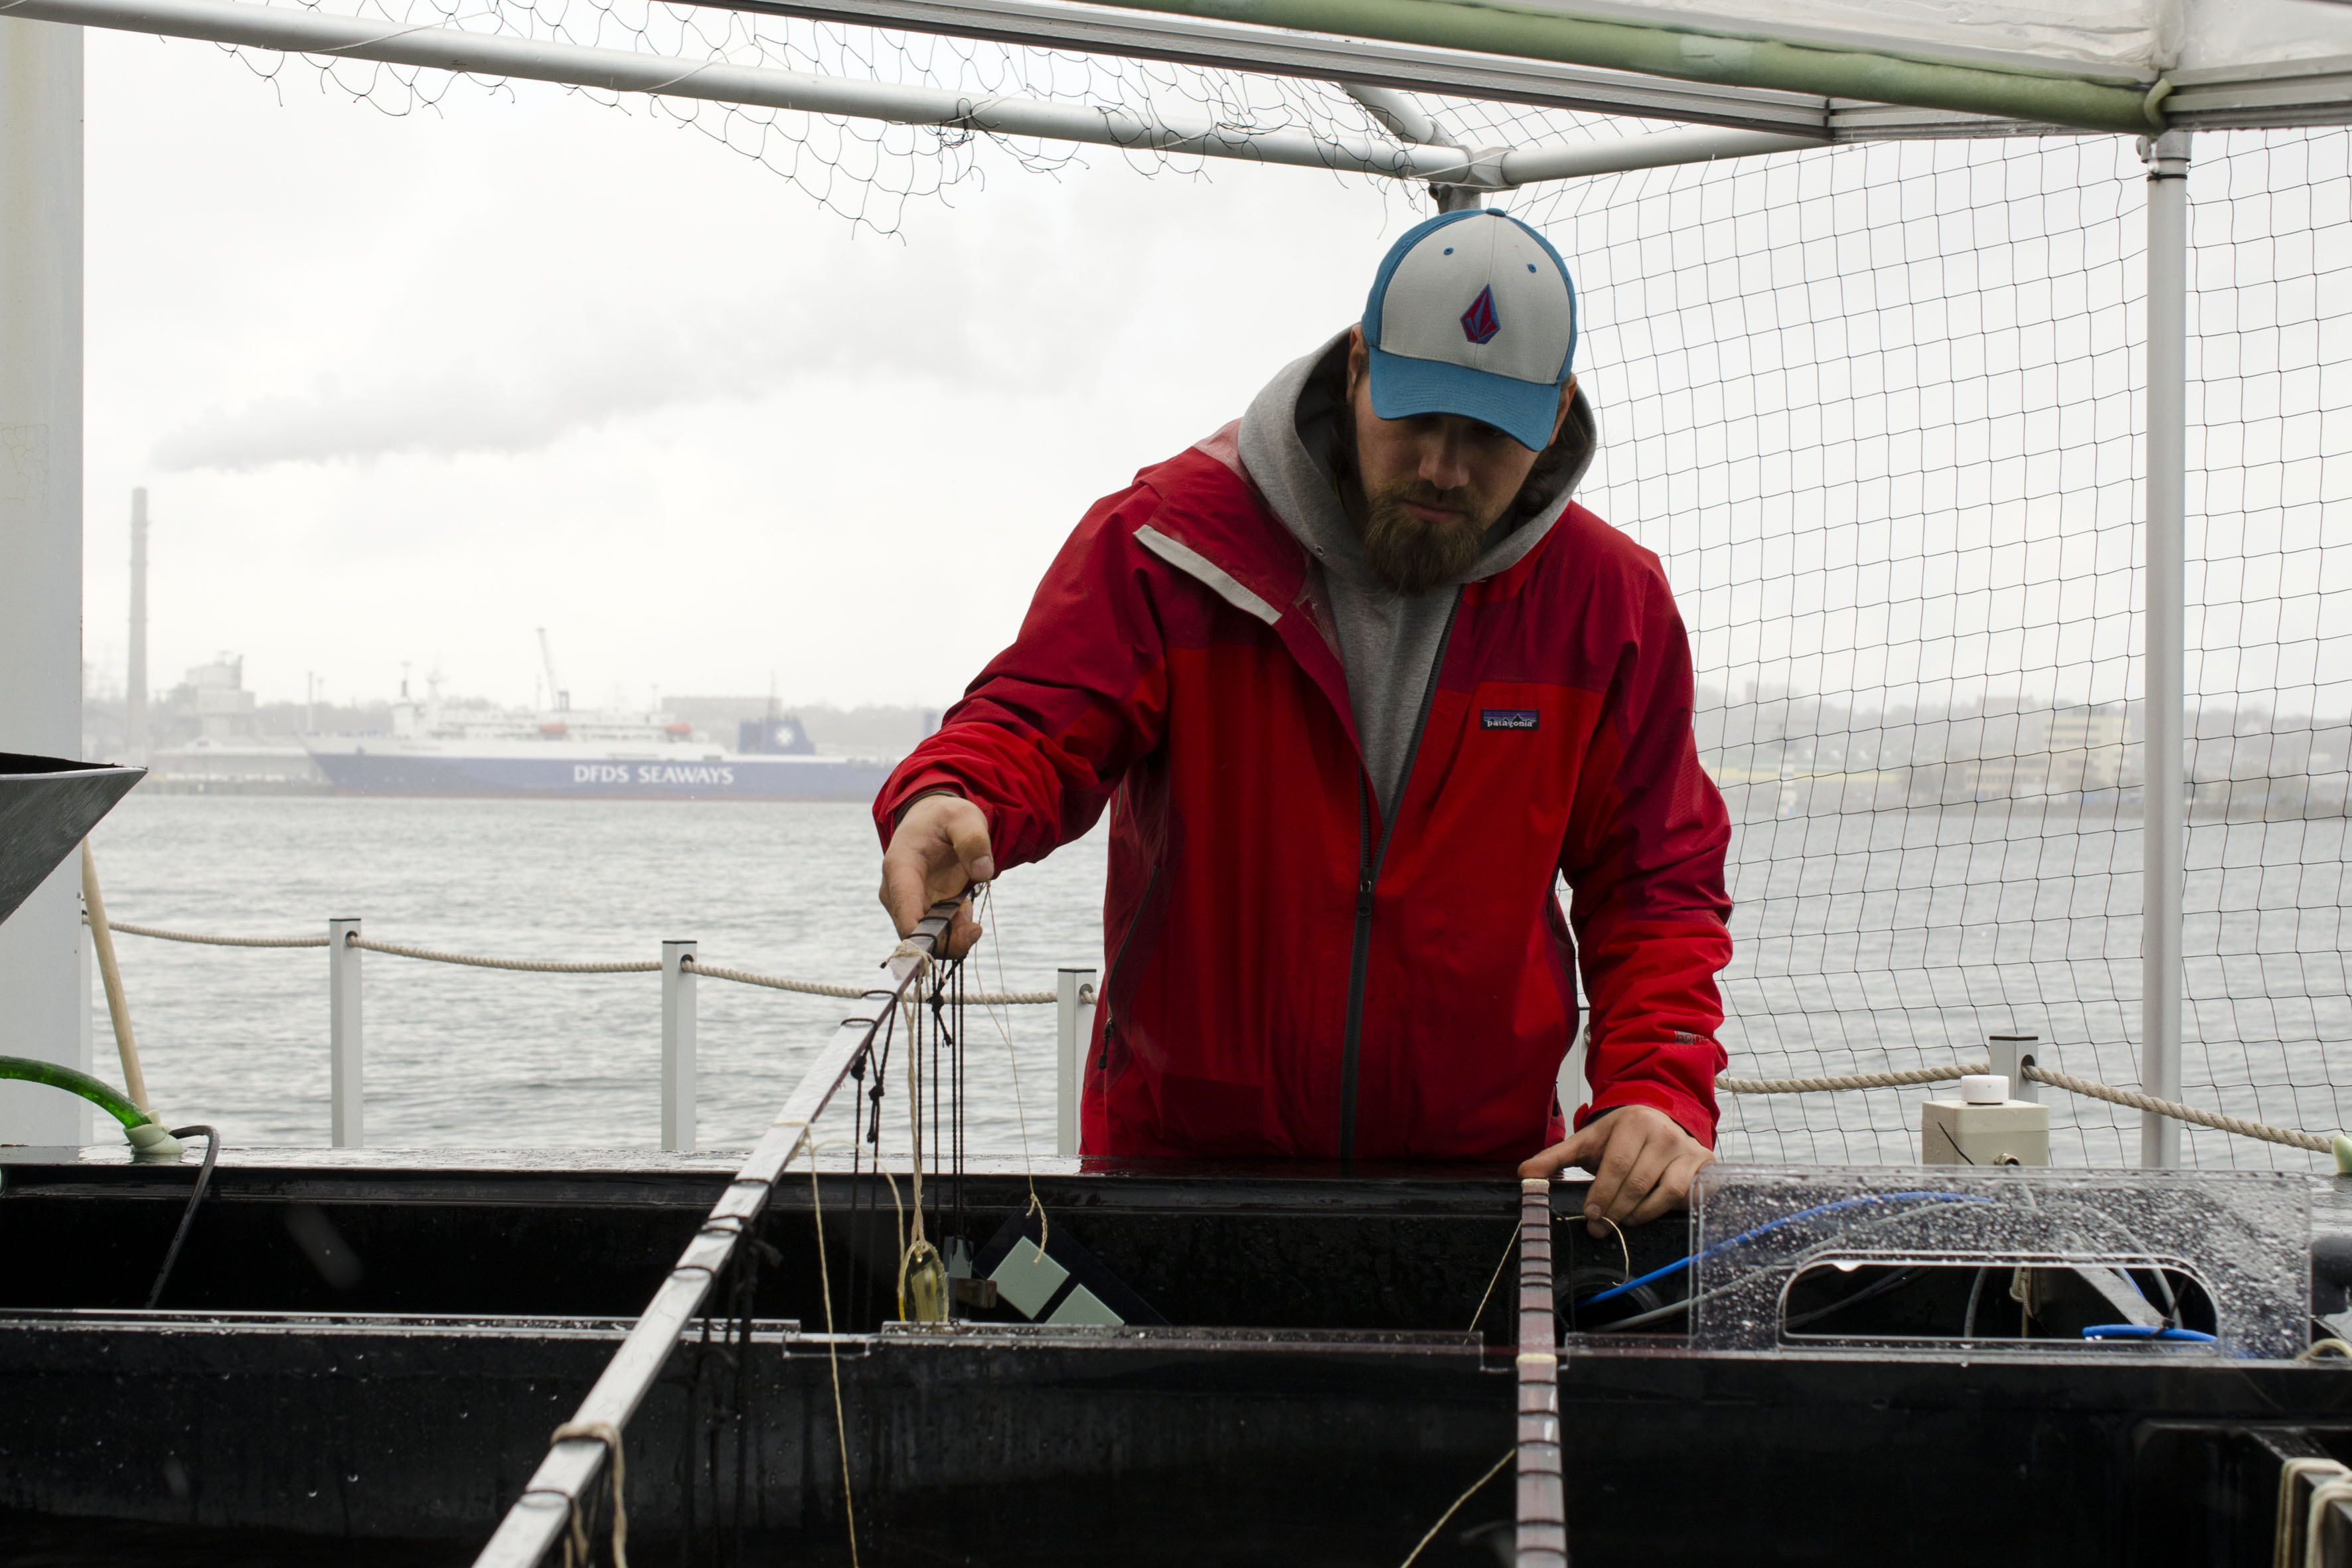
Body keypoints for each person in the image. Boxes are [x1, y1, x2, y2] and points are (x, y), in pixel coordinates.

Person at [876, 210, 1733, 1235]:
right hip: (1174, 1172)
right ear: (1359, 368)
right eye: (1418, 417)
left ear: (1556, 416)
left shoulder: (1611, 606)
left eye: (1488, 435)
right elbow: (1037, 717)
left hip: (1480, 1187)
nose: (1444, 468)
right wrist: (956, 791)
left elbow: (1656, 883)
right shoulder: (1170, 540)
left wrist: (1656, 1086)